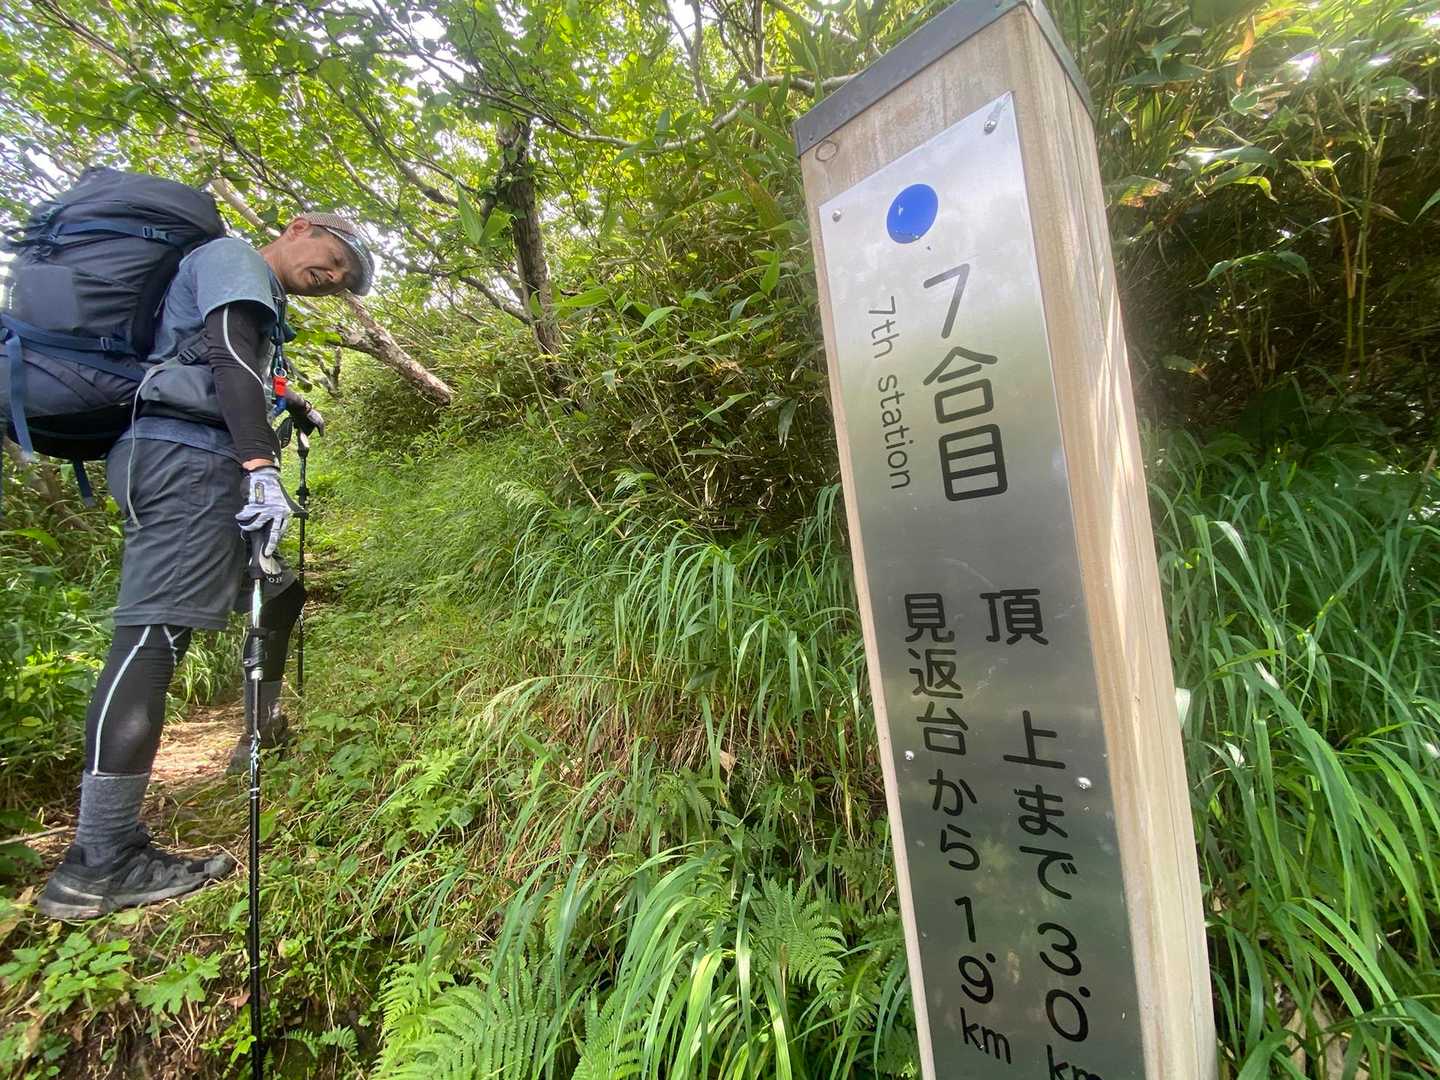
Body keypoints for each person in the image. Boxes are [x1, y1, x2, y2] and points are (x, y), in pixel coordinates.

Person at [35, 213, 375, 920]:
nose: (333, 278)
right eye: (336, 258)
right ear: (300, 227)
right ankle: (100, 860)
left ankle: (260, 726)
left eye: (343, 280)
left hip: (196, 457)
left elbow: (223, 359)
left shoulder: (253, 289)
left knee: (278, 589)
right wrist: (259, 464)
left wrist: (289, 402)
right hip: (187, 459)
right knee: (152, 638)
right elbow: (226, 354)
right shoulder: (234, 258)